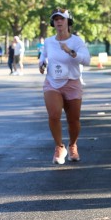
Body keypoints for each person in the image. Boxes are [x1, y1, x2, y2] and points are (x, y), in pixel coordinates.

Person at [38, 9, 91, 164]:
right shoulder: (49, 42)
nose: (59, 22)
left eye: (62, 19)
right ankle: (59, 147)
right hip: (52, 82)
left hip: (72, 82)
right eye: (56, 19)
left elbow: (87, 61)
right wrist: (42, 64)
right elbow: (43, 56)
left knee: (73, 120)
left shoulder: (77, 41)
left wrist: (71, 52)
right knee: (54, 115)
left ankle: (72, 145)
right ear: (53, 23)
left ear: (68, 21)